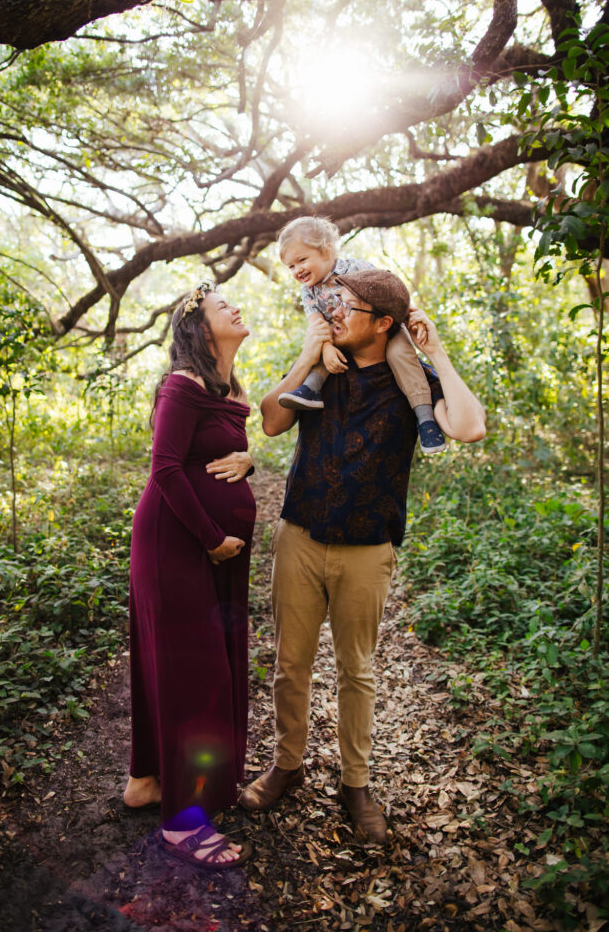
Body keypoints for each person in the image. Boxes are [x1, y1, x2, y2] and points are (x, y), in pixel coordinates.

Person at [238, 267, 485, 844]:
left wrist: (438, 352)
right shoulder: (323, 371)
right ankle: (287, 766)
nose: (333, 312)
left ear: (383, 324)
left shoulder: (410, 383)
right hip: (299, 535)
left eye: (346, 306)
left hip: (369, 548)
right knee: (290, 666)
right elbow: (273, 423)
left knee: (357, 671)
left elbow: (470, 428)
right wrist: (306, 355)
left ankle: (356, 782)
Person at [124, 281, 256, 869]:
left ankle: (147, 781)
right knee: (193, 672)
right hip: (178, 545)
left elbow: (227, 447)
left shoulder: (225, 388)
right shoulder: (181, 385)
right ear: (200, 329)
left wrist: (250, 459)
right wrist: (211, 539)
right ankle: (183, 821)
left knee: (186, 665)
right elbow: (166, 469)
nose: (232, 306)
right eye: (218, 305)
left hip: (210, 549)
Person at [276, 216, 446, 453]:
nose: (298, 271)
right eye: (291, 266)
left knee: (401, 356)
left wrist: (410, 319)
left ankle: (425, 419)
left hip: (384, 328)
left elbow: (390, 293)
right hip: (341, 334)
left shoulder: (358, 269)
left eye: (302, 260)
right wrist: (326, 348)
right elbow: (316, 323)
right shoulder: (308, 291)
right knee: (320, 347)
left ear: (326, 250)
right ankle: (311, 389)